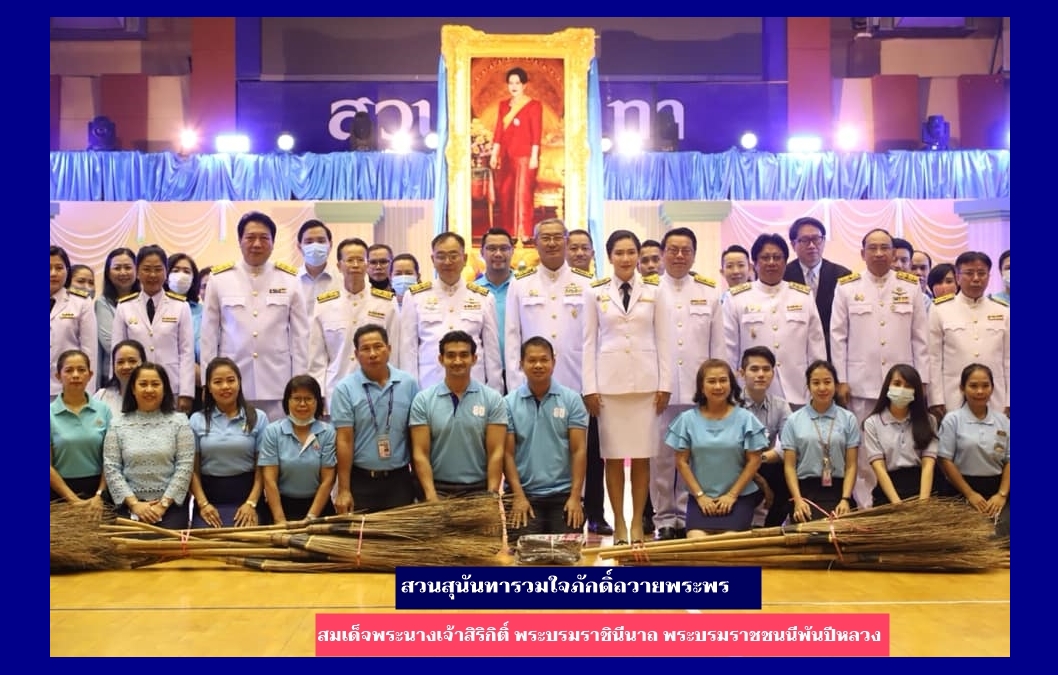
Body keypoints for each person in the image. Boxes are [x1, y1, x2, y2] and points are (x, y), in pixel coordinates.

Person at [505, 220, 610, 535]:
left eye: (557, 238)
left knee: (587, 450)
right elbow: (512, 337)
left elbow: (594, 339)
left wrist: (592, 385)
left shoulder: (586, 282)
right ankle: (530, 504)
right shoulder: (520, 284)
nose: (551, 243)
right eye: (545, 238)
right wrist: (517, 389)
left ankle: (591, 511)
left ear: (566, 241)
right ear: (535, 242)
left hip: (576, 382)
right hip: (531, 388)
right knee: (532, 450)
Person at [582, 230, 673, 545]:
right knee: (613, 457)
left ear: (638, 255)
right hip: (609, 386)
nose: (625, 258)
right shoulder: (594, 292)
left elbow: (664, 340)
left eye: (631, 252)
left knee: (643, 457)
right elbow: (588, 343)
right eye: (619, 253)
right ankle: (619, 522)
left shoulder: (655, 291)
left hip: (646, 385)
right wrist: (589, 388)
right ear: (609, 256)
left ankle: (636, 523)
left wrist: (665, 385)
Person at [829, 228, 930, 507]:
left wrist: (922, 380)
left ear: (893, 252)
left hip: (902, 385)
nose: (878, 253)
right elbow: (838, 337)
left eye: (884, 247)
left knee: (901, 446)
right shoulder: (847, 287)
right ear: (862, 253)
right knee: (863, 450)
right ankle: (866, 507)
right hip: (861, 383)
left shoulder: (910, 286)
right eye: (872, 248)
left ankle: (897, 501)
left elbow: (920, 338)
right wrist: (841, 380)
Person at [200, 211, 309, 422]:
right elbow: (209, 335)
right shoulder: (220, 278)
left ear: (273, 243)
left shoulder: (289, 278)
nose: (257, 244)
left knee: (276, 437)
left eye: (264, 238)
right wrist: (209, 380)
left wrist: (300, 380)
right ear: (240, 241)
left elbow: (300, 336)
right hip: (232, 382)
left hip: (278, 381)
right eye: (250, 238)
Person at [650, 227, 724, 540]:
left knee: (694, 456)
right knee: (661, 458)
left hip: (698, 391)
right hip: (660, 390)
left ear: (694, 255)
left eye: (686, 250)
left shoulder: (709, 292)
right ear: (662, 254)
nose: (679, 256)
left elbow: (718, 346)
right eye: (673, 250)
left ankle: (687, 514)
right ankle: (664, 519)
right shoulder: (649, 289)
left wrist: (716, 388)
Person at [724, 233, 825, 410]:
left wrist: (818, 384)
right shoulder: (737, 298)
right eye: (765, 258)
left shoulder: (803, 296)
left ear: (785, 262)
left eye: (777, 257)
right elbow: (728, 350)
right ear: (754, 263)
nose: (771, 262)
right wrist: (731, 391)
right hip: (751, 392)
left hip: (797, 390)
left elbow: (816, 347)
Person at [667, 359, 766, 536]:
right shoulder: (687, 419)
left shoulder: (746, 419)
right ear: (701, 386)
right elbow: (681, 462)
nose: (718, 386)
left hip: (738, 497)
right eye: (711, 381)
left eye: (723, 380)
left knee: (728, 543)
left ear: (731, 384)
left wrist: (731, 495)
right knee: (696, 542)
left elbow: (754, 461)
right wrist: (700, 496)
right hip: (700, 499)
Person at [330, 324, 420, 514]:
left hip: (400, 480)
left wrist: (419, 483)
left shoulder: (408, 384)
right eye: (365, 348)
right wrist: (343, 489)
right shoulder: (345, 389)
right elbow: (344, 440)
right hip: (361, 480)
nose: (372, 354)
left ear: (389, 349)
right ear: (356, 354)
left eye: (378, 346)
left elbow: (415, 437)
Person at [504, 336, 588, 538]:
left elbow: (579, 451)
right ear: (521, 364)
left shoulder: (572, 400)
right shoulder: (508, 403)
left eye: (544, 359)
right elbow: (507, 454)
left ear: (554, 362)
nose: (538, 365)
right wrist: (518, 497)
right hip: (525, 495)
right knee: (525, 550)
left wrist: (575, 497)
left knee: (566, 550)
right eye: (532, 360)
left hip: (563, 495)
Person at [409, 330, 508, 500]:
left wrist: (492, 494)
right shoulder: (423, 400)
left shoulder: (493, 399)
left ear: (474, 359)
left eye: (464, 355)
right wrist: (431, 496)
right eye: (451, 355)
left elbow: (496, 452)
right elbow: (420, 453)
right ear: (441, 359)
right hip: (437, 489)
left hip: (478, 490)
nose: (457, 361)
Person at [399, 232, 503, 392]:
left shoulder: (483, 297)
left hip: (474, 387)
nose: (447, 262)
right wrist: (411, 393)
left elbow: (492, 352)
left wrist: (495, 392)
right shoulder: (415, 297)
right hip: (429, 386)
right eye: (441, 256)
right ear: (433, 260)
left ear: (464, 258)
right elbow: (408, 350)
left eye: (453, 256)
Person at [102, 362, 195, 529]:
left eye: (155, 384)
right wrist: (135, 504)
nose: (149, 389)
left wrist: (162, 505)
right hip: (129, 507)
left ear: (165, 388)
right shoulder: (117, 424)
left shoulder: (180, 422)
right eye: (143, 384)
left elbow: (185, 466)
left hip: (170, 507)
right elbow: (111, 468)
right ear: (133, 389)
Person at [308, 237, 400, 403]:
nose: (355, 265)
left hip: (377, 390)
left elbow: (394, 353)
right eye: (350, 260)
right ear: (339, 266)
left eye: (360, 260)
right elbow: (317, 358)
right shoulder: (324, 305)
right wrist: (318, 395)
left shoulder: (386, 303)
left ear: (367, 264)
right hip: (336, 390)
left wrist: (392, 390)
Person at [111, 245, 196, 414]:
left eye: (158, 269)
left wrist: (186, 392)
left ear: (166, 273)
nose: (152, 275)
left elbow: (186, 353)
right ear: (137, 272)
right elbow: (117, 352)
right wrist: (119, 387)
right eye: (146, 269)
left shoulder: (180, 306)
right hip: (135, 388)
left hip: (171, 385)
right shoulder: (124, 306)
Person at [187, 357, 269, 528]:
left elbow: (262, 469)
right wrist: (203, 504)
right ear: (209, 388)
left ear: (239, 383)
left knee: (247, 540)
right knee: (207, 541)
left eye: (231, 380)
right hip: (210, 501)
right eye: (218, 382)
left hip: (248, 498)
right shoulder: (196, 420)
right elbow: (192, 470)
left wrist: (251, 503)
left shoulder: (258, 417)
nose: (225, 386)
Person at [928, 251, 1009, 422]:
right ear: (958, 277)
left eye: (981, 273)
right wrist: (936, 399)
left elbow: (1009, 360)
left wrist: (1010, 400)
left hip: (996, 397)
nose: (976, 278)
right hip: (953, 396)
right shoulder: (940, 309)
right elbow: (933, 359)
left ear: (989, 276)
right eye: (969, 273)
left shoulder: (1003, 311)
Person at [781, 360, 860, 522]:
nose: (822, 388)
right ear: (808, 386)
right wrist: (798, 501)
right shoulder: (793, 420)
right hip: (805, 494)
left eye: (827, 382)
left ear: (836, 385)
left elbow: (851, 465)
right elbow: (789, 466)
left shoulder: (848, 419)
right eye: (816, 383)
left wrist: (845, 499)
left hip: (839, 492)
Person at [937, 363, 1009, 539]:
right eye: (973, 386)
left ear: (992, 388)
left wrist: (1001, 495)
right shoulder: (952, 420)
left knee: (1003, 535)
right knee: (970, 538)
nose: (980, 391)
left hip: (997, 491)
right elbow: (945, 460)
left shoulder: (1003, 421)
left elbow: (1010, 460)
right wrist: (970, 494)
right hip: (961, 491)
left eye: (985, 385)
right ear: (962, 388)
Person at [259, 375, 337, 523]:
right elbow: (269, 480)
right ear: (287, 401)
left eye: (308, 399)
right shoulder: (273, 431)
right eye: (296, 398)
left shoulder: (328, 432)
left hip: (319, 508)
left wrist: (310, 518)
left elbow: (328, 480)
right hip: (280, 507)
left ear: (317, 402)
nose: (302, 404)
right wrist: (280, 520)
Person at [863, 364, 938, 505]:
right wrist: (897, 504)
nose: (902, 390)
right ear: (887, 386)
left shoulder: (929, 421)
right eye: (897, 384)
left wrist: (923, 503)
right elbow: (879, 468)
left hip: (923, 490)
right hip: (889, 492)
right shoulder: (872, 423)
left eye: (908, 386)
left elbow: (928, 465)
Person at [782, 217, 852, 361]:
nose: (812, 245)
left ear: (824, 241)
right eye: (805, 240)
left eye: (816, 239)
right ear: (793, 244)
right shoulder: (784, 276)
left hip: (833, 352)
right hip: (793, 352)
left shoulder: (842, 275)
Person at [739, 346, 792, 527]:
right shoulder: (731, 404)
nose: (761, 374)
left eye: (766, 369)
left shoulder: (780, 405)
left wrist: (760, 458)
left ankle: (770, 528)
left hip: (763, 461)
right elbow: (728, 451)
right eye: (754, 369)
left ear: (772, 373)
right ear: (742, 373)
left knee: (789, 471)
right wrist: (762, 482)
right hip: (734, 466)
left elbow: (789, 445)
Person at [50, 349, 112, 508]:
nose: (76, 375)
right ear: (58, 376)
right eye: (69, 370)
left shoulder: (103, 410)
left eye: (81, 370)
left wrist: (99, 495)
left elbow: (111, 459)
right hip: (59, 492)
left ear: (90, 375)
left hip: (99, 492)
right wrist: (74, 501)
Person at [489, 66, 544, 242]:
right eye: (511, 83)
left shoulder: (534, 105)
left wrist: (534, 156)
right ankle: (509, 232)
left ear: (524, 85)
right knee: (506, 194)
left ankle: (524, 232)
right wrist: (494, 154)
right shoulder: (503, 105)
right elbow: (499, 131)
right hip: (506, 155)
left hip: (525, 156)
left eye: (517, 83)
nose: (513, 86)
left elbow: (536, 132)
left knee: (522, 195)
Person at [51, 245, 97, 400]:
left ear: (67, 271)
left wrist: (88, 393)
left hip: (69, 386)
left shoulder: (81, 302)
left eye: (59, 268)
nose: (53, 273)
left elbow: (89, 351)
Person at [475, 228, 516, 390]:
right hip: (484, 372)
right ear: (482, 252)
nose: (498, 254)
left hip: (522, 369)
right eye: (492, 248)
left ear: (512, 251)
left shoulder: (524, 287)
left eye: (504, 248)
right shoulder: (473, 292)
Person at [94, 247, 139, 390]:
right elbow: (110, 343)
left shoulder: (145, 300)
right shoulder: (102, 303)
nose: (123, 272)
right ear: (108, 273)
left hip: (144, 373)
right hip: (115, 375)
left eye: (128, 267)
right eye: (117, 268)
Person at [295, 219, 341, 314]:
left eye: (321, 241)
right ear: (299, 247)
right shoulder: (290, 280)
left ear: (330, 245)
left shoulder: (343, 280)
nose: (315, 246)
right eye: (309, 242)